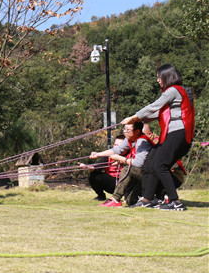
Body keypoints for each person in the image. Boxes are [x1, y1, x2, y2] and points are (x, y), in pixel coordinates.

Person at [121, 64, 195, 211]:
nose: (157, 80)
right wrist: (139, 120)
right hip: (171, 135)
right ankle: (147, 199)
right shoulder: (174, 93)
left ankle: (175, 202)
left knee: (160, 165)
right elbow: (156, 114)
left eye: (159, 77)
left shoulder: (173, 90)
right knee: (150, 165)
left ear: (168, 76)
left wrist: (134, 117)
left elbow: (153, 107)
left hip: (178, 134)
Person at [89, 121, 153, 207]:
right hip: (141, 175)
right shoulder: (130, 140)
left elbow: (139, 163)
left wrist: (121, 159)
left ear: (137, 131)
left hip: (150, 175)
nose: (124, 132)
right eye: (124, 129)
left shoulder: (142, 141)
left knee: (128, 167)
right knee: (130, 201)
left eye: (127, 130)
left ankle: (115, 199)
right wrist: (98, 154)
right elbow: (118, 149)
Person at [79, 135, 125, 201]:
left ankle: (131, 198)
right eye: (115, 145)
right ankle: (101, 196)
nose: (116, 147)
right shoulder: (108, 155)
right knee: (93, 174)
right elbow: (96, 167)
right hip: (112, 183)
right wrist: (87, 167)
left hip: (125, 183)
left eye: (119, 145)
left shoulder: (130, 155)